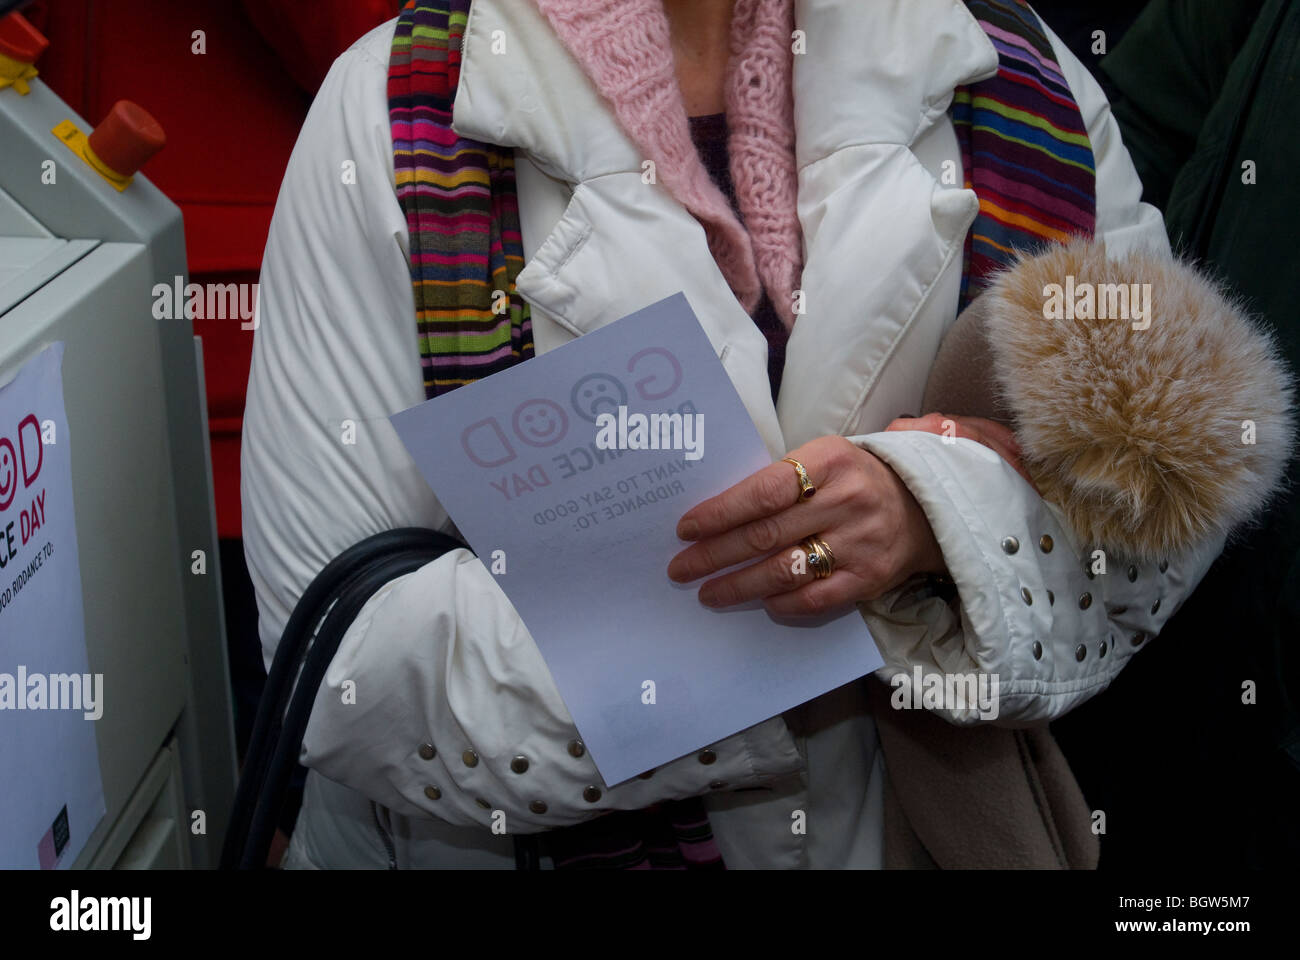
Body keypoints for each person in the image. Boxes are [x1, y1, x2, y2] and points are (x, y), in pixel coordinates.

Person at [240, 0, 1291, 868]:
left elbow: (1173, 493)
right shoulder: (390, 115)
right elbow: (342, 664)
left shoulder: (1024, 77)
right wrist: (840, 593)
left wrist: (932, 517)